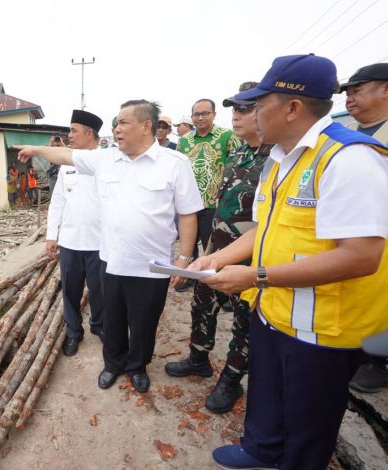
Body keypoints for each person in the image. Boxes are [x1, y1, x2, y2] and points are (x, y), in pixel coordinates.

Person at [188, 54, 388, 470]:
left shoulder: (349, 159)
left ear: (293, 107)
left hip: (322, 328)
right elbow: (264, 230)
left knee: (307, 424)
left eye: (259, 104)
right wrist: (213, 260)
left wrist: (257, 276)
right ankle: (260, 450)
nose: (251, 114)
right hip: (274, 310)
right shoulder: (278, 159)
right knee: (268, 395)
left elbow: (362, 257)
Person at [17, 99, 202, 393]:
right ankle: (113, 364)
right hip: (112, 262)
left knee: (143, 323)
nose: (116, 128)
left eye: (123, 122)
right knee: (112, 320)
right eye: (116, 123)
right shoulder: (105, 159)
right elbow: (65, 155)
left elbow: (188, 213)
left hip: (153, 266)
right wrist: (37, 149)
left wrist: (184, 257)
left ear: (146, 126)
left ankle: (137, 366)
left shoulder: (174, 164)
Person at [165, 81, 271, 414]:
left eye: (244, 109)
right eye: (234, 110)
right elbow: (223, 201)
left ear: (264, 111)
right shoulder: (239, 150)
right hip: (218, 246)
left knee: (244, 320)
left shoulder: (278, 156)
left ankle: (231, 380)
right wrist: (208, 248)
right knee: (202, 303)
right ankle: (199, 358)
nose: (236, 116)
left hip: (253, 255)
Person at [341, 62, 388, 393]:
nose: (349, 97)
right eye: (347, 92)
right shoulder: (351, 134)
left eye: (357, 89)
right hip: (355, 229)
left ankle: (379, 361)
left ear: (385, 90)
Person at [47, 109, 105, 356]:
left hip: (99, 241)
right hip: (70, 241)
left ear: (89, 133)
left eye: (73, 130)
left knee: (100, 290)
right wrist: (52, 235)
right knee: (70, 291)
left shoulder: (106, 161)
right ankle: (73, 332)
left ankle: (99, 326)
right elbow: (58, 201)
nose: (69, 135)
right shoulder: (66, 164)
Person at [176, 99, 241, 292]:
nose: (200, 117)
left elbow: (236, 166)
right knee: (188, 243)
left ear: (214, 115)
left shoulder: (227, 136)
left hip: (214, 203)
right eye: (196, 114)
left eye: (205, 113)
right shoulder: (184, 141)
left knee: (211, 244)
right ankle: (189, 277)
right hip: (188, 203)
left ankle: (213, 281)